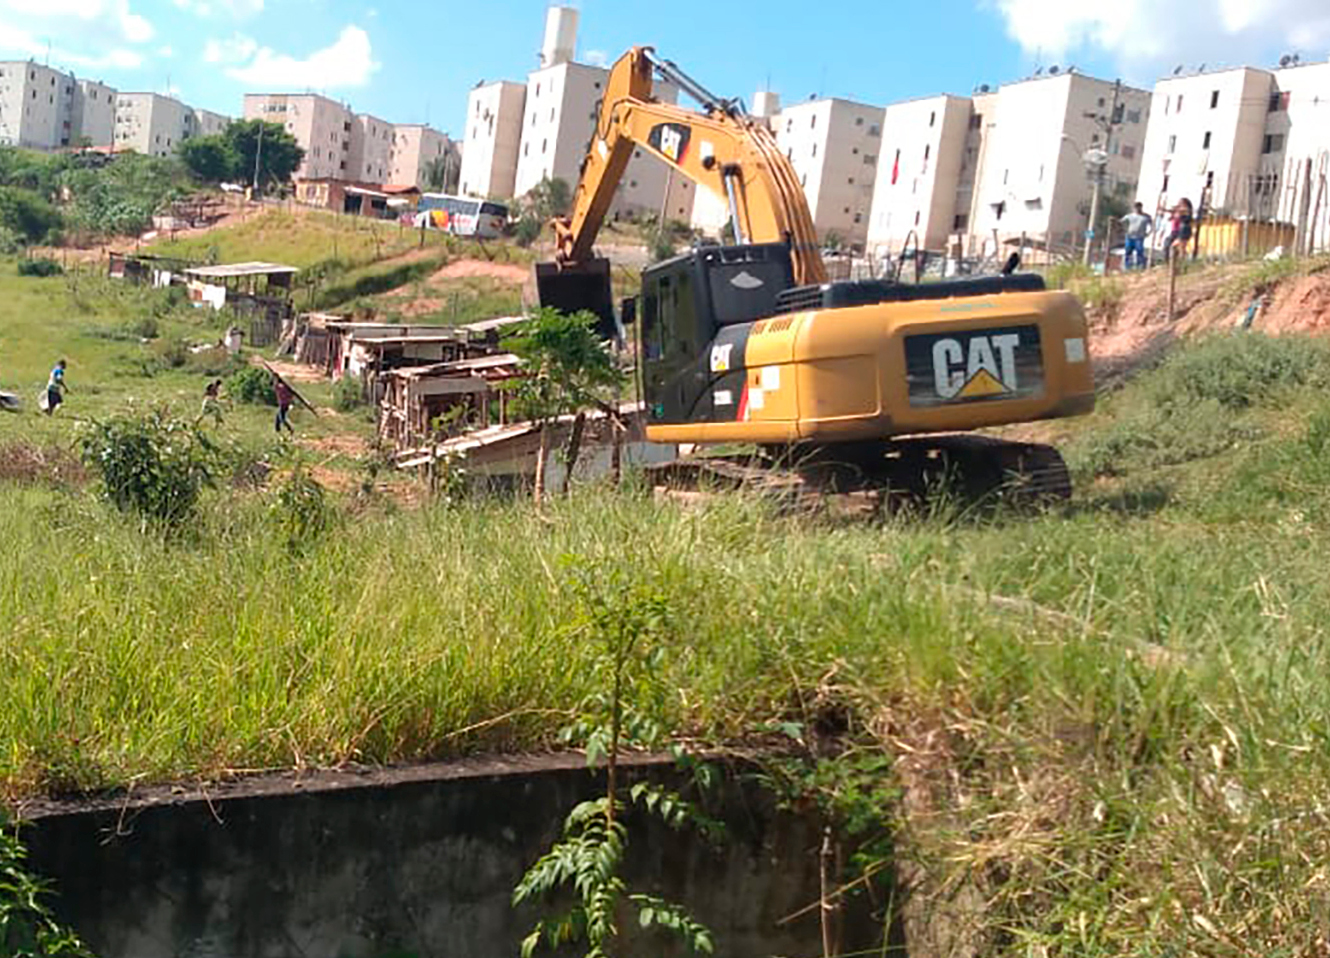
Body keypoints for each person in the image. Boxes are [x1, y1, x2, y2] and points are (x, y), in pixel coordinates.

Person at [1120, 202, 1153, 270]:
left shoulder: (1146, 217)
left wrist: (1148, 233)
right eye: (1135, 207)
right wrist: (1123, 230)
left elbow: (1152, 226)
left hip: (1139, 237)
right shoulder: (1129, 216)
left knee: (1139, 251)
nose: (1137, 209)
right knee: (1128, 251)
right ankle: (1127, 266)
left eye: (1138, 207)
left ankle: (1139, 266)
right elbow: (1121, 222)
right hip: (1130, 236)